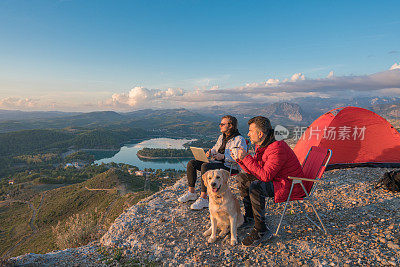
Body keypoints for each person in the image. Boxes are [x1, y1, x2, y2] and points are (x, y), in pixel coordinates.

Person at [232, 116, 304, 246]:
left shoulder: (277, 147)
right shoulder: (264, 144)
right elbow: (256, 170)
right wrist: (241, 160)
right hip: (278, 180)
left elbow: (265, 176)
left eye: (250, 131)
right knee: (242, 178)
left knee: (256, 187)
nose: (248, 134)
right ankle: (251, 217)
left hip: (289, 185)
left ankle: (261, 231)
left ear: (260, 133)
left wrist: (246, 157)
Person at [178, 115, 247, 210]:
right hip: (218, 163)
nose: (220, 126)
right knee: (192, 163)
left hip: (229, 166)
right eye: (220, 124)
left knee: (205, 167)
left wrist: (223, 156)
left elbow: (241, 157)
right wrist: (211, 152)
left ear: (230, 126)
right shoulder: (221, 137)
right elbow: (216, 148)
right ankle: (192, 193)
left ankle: (204, 198)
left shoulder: (239, 140)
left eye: (223, 124)